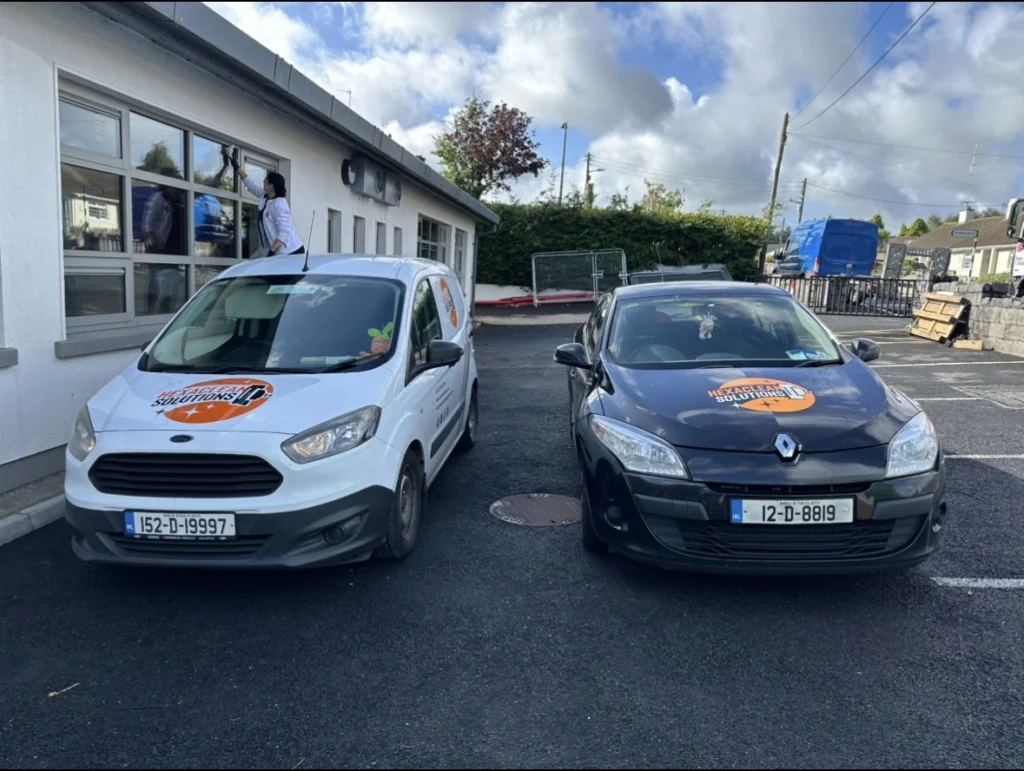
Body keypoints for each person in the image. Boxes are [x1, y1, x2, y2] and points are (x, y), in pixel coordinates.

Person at [230, 150, 305, 256]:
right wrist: (237, 166)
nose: (263, 181)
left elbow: (284, 231)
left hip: (292, 251)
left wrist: (271, 251)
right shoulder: (265, 197)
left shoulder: (279, 205)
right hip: (280, 251)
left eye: (265, 180)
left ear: (271, 186)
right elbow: (250, 184)